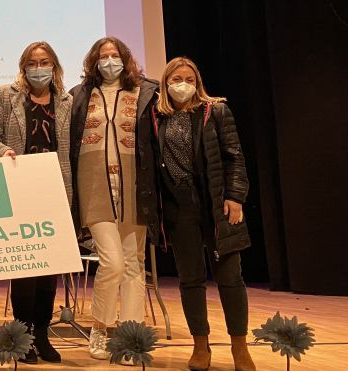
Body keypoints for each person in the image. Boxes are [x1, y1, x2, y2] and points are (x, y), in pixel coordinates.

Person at [152, 57, 255, 371]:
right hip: (178, 206)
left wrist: (235, 197)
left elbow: (234, 157)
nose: (182, 85)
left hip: (216, 203)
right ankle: (200, 345)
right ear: (165, 84)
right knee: (190, 279)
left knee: (230, 277)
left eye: (189, 79)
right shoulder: (155, 116)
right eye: (176, 79)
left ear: (197, 83)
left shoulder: (216, 111)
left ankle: (239, 347)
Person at [0, 41, 73, 365]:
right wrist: (4, 152)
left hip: (56, 192)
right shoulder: (6, 96)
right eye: (32, 63)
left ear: (54, 66)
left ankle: (43, 335)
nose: (38, 68)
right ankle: (24, 337)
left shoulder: (67, 101)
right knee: (25, 269)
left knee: (49, 270)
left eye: (44, 62)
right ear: (23, 67)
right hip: (19, 192)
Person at [68, 36, 158, 361]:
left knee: (134, 264)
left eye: (114, 55)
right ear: (94, 61)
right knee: (113, 262)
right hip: (94, 186)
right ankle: (100, 328)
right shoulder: (79, 95)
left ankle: (131, 338)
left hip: (134, 186)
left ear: (125, 59)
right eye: (103, 56)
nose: (109, 61)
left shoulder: (145, 92)